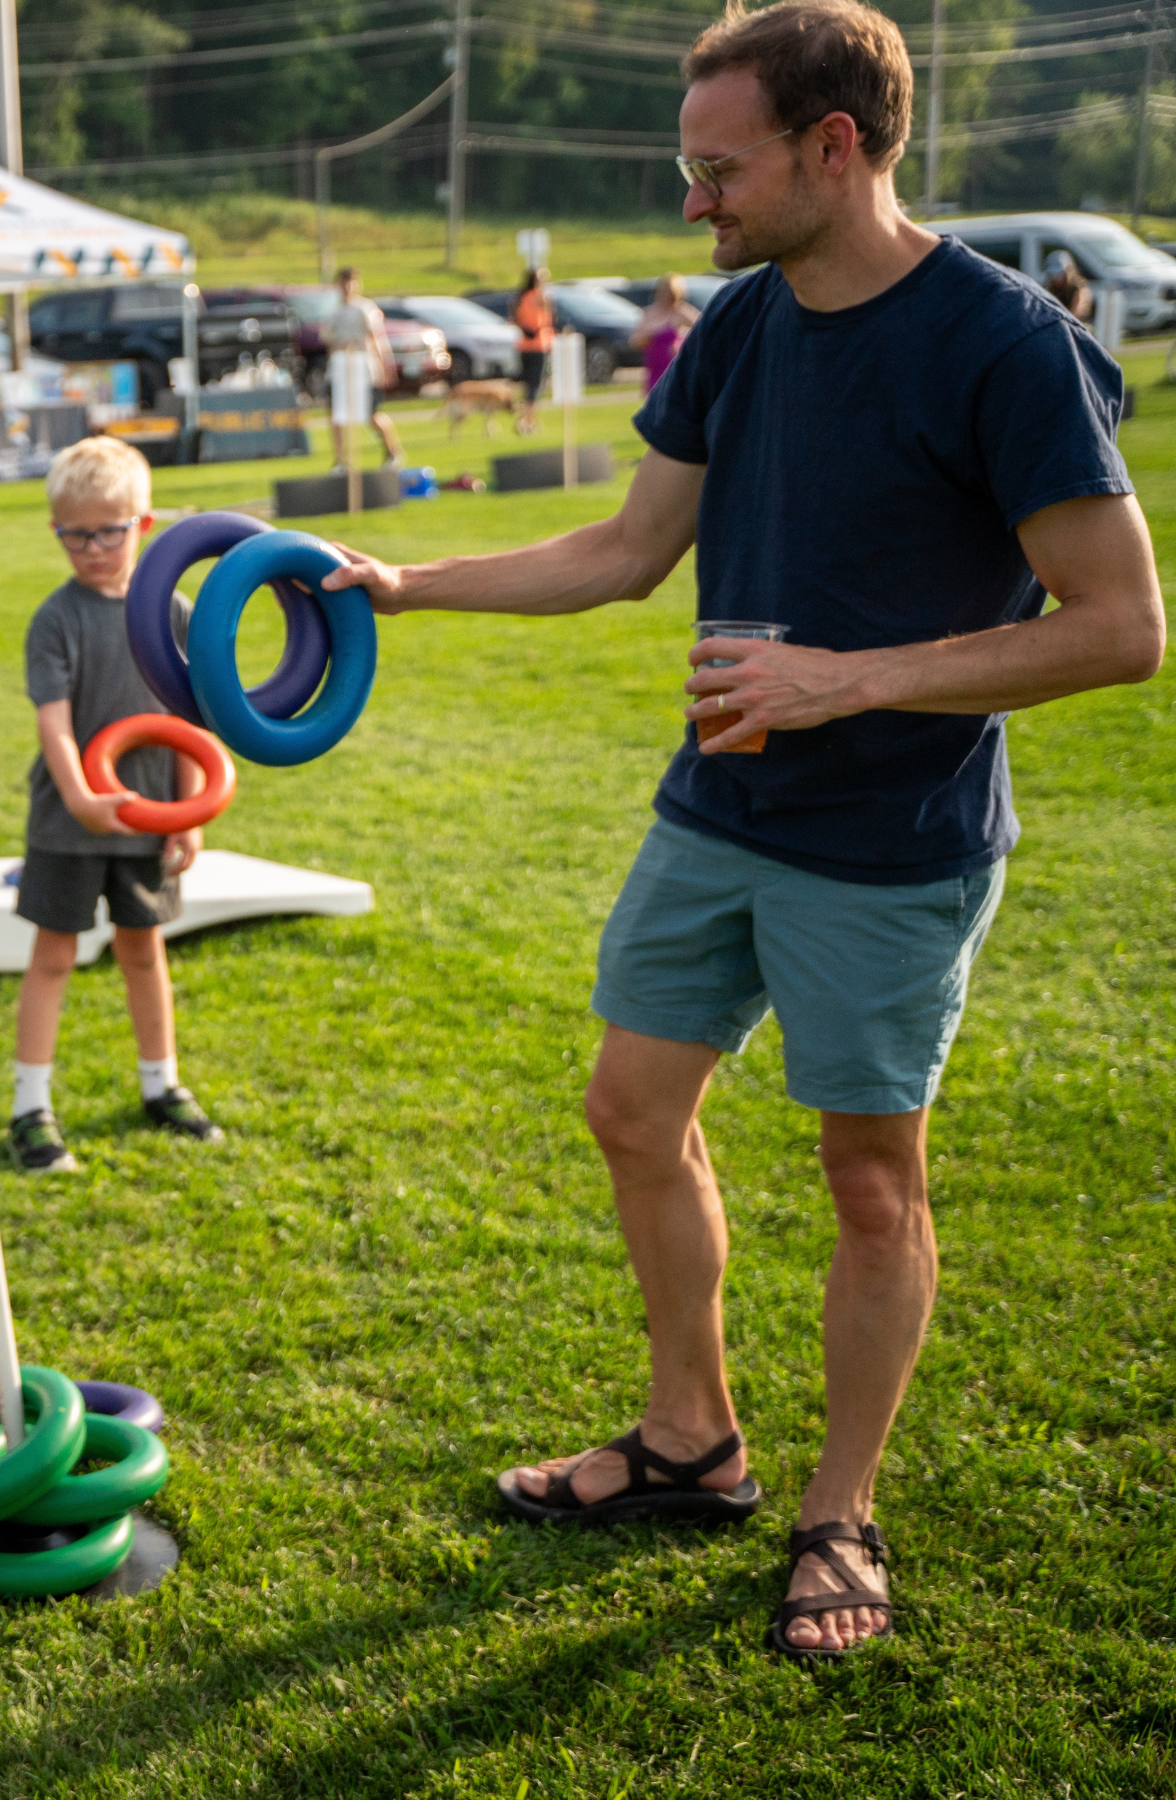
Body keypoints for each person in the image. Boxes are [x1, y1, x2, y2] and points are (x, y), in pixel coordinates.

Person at [320, 0, 1162, 1661]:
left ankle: (839, 1513)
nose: (694, 202)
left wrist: (850, 684)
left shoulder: (1001, 345)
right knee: (631, 1110)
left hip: (894, 833)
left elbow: (1122, 626)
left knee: (867, 1176)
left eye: (718, 169)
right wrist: (401, 585)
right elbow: (627, 551)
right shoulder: (743, 323)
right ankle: (692, 1437)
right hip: (718, 806)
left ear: (831, 147)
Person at [9, 437, 223, 1175]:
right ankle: (29, 1108)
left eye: (111, 529)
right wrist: (80, 796)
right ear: (56, 531)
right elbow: (55, 722)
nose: (94, 547)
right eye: (76, 533)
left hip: (151, 815)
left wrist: (191, 812)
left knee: (144, 949)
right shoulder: (56, 619)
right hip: (72, 823)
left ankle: (162, 1084)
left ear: (145, 523)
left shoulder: (177, 614)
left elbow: (197, 722)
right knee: (53, 958)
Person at [318, 268, 403, 471]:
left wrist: (385, 367)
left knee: (370, 414)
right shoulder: (334, 311)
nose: (347, 286)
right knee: (336, 415)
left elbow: (377, 339)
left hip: (363, 365)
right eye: (344, 282)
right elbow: (327, 339)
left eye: (351, 282)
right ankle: (340, 461)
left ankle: (392, 451)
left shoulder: (364, 308)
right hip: (340, 366)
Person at [630, 274, 703, 394]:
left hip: (675, 369)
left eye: (669, 292)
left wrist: (685, 344)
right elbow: (633, 341)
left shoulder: (680, 311)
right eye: (663, 292)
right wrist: (648, 336)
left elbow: (704, 327)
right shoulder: (649, 313)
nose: (666, 296)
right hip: (654, 368)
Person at [513, 267, 556, 435]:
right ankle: (527, 420)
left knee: (528, 385)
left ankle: (530, 419)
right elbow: (546, 314)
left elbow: (517, 319)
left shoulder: (521, 297)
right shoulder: (539, 296)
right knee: (535, 385)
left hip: (524, 344)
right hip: (538, 345)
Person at [1043, 250, 1095, 325]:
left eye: (1059, 274)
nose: (1056, 278)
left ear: (1068, 271)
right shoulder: (1049, 289)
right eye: (1052, 275)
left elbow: (1076, 314)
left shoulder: (1080, 288)